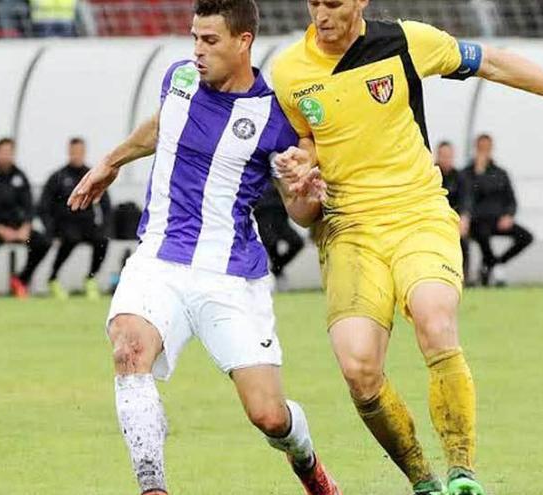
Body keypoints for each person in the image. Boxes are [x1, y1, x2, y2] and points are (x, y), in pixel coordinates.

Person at [270, 1, 543, 493]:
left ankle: (462, 472)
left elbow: (495, 62)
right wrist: (296, 181)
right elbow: (306, 164)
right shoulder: (288, 72)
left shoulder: (406, 41)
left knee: (435, 319)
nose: (321, 14)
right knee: (359, 370)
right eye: (312, 3)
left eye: (332, 3)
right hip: (350, 231)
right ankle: (424, 480)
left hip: (418, 213)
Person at [67, 0, 341, 493]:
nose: (197, 50)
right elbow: (162, 125)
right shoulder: (179, 77)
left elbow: (300, 214)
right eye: (194, 37)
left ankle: (309, 464)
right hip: (157, 258)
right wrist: (111, 161)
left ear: (243, 42)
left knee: (268, 416)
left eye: (209, 41)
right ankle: (153, 487)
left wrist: (306, 195)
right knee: (129, 349)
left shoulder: (274, 118)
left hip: (230, 275)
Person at [0, 137, 50, 299]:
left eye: (10, 152)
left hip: (17, 229)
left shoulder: (20, 176)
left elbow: (29, 205)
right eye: (4, 152)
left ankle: (21, 279)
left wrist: (25, 226)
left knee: (42, 242)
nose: (6, 155)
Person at [40, 137, 110, 301]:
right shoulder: (58, 177)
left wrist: (104, 225)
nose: (77, 155)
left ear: (84, 152)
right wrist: (51, 228)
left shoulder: (92, 175)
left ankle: (91, 278)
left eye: (80, 152)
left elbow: (106, 204)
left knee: (103, 240)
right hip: (65, 224)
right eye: (74, 152)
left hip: (87, 222)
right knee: (70, 239)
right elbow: (44, 205)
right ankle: (53, 278)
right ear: (69, 152)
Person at [462, 134, 534, 287]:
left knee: (526, 237)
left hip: (498, 220)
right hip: (478, 221)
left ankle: (495, 264)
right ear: (476, 148)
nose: (484, 151)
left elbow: (512, 200)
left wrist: (509, 215)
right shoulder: (467, 173)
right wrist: (479, 172)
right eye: (481, 148)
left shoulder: (500, 173)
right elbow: (468, 197)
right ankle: (490, 268)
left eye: (487, 148)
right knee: (482, 234)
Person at [254, 180, 305, 283]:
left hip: (280, 217)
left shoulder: (281, 175)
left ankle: (277, 268)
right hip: (264, 216)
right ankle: (275, 271)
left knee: (297, 242)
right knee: (271, 243)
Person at [436, 141, 473, 281]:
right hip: (435, 219)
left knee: (464, 240)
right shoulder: (430, 175)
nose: (446, 159)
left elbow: (466, 200)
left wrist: (464, 218)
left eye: (449, 156)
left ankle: (463, 277)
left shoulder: (460, 177)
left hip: (454, 221)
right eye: (443, 156)